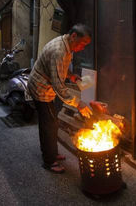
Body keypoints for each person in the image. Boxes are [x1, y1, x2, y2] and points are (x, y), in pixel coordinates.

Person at [27, 24, 93, 173]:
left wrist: (70, 75)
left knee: (53, 121)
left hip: (47, 87)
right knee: (48, 125)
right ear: (74, 36)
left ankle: (53, 153)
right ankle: (49, 161)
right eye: (82, 43)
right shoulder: (59, 51)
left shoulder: (66, 45)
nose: (82, 48)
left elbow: (59, 68)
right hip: (41, 89)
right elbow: (58, 87)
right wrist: (79, 104)